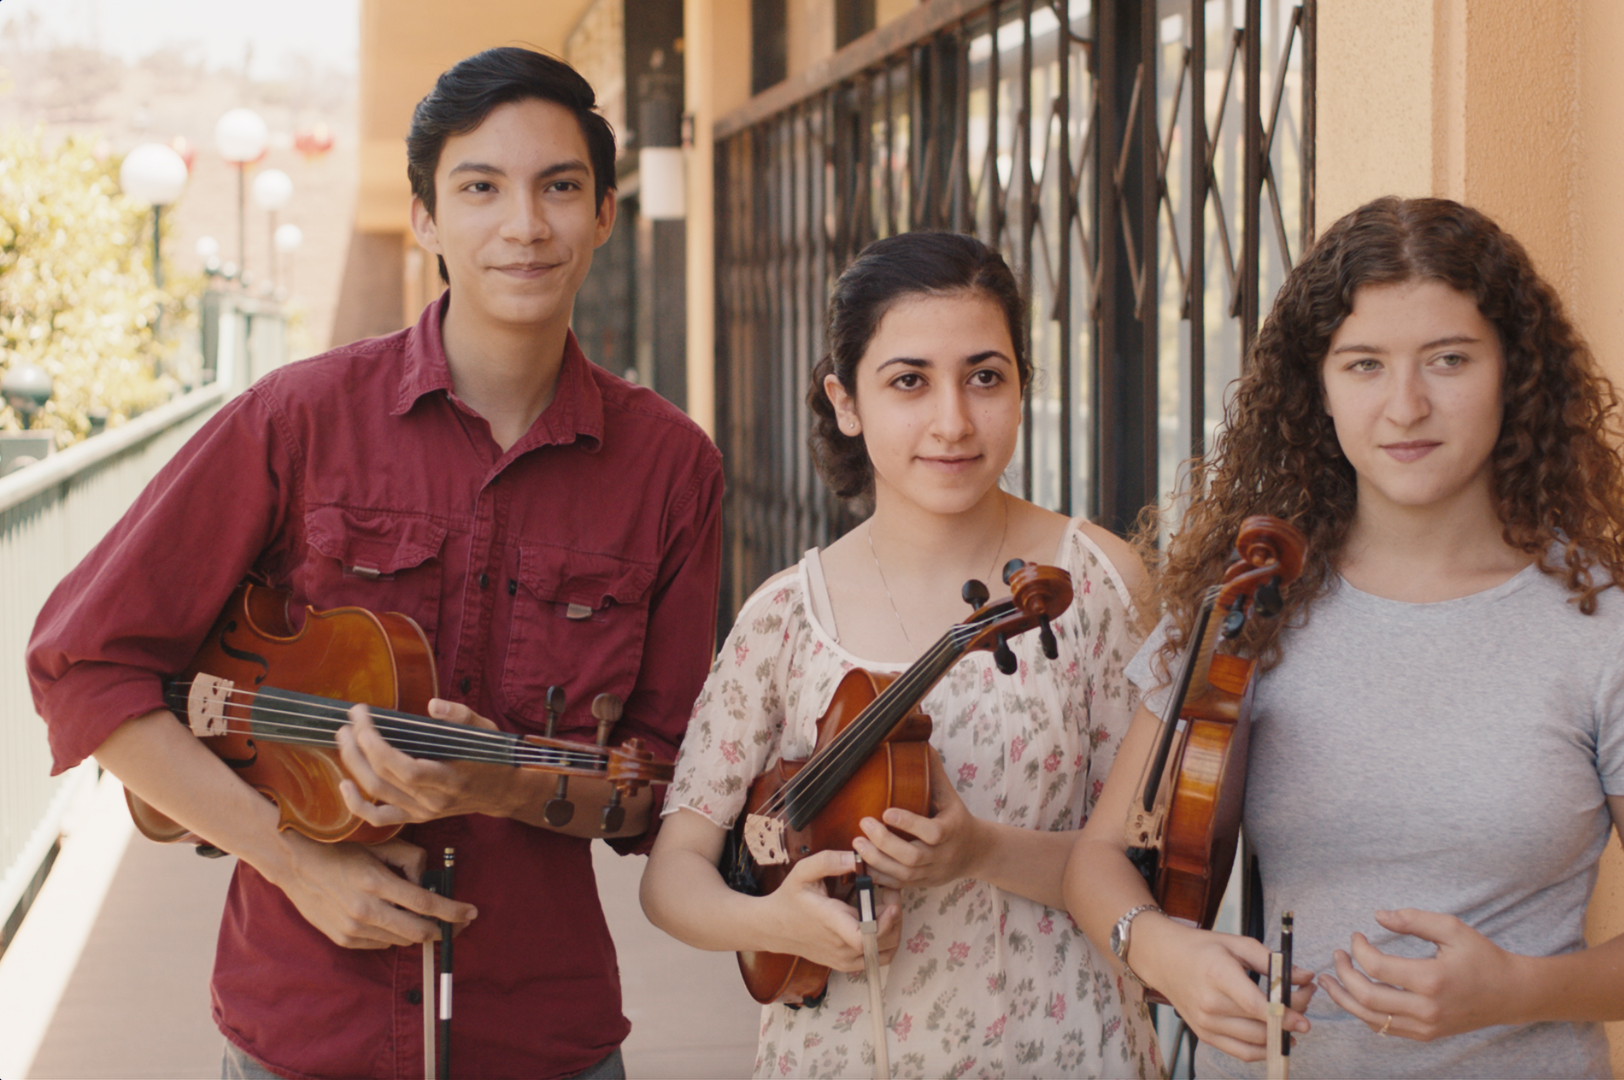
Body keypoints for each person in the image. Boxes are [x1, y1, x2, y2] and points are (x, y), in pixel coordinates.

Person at [27, 48, 722, 1080]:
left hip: (540, 1037)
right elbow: (85, 667)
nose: (524, 226)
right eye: (480, 188)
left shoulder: (670, 467)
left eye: (559, 187)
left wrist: (507, 782)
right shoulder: (296, 419)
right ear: (428, 218)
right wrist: (297, 862)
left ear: (604, 215)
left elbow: (663, 783)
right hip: (303, 1032)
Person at [1064, 196, 1624, 1078]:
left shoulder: (1614, 632)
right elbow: (1097, 860)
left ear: (1515, 374)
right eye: (1364, 365)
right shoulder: (1242, 606)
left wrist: (1520, 990)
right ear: (1320, 387)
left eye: (1449, 360)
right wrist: (1161, 952)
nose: (1406, 405)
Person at [640, 231, 1162, 1079]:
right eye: (909, 381)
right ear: (847, 402)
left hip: (1064, 1047)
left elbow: (1146, 865)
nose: (952, 421)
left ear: (1024, 386)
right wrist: (774, 924)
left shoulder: (1097, 580)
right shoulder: (785, 615)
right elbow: (673, 879)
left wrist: (982, 852)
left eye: (985, 377)